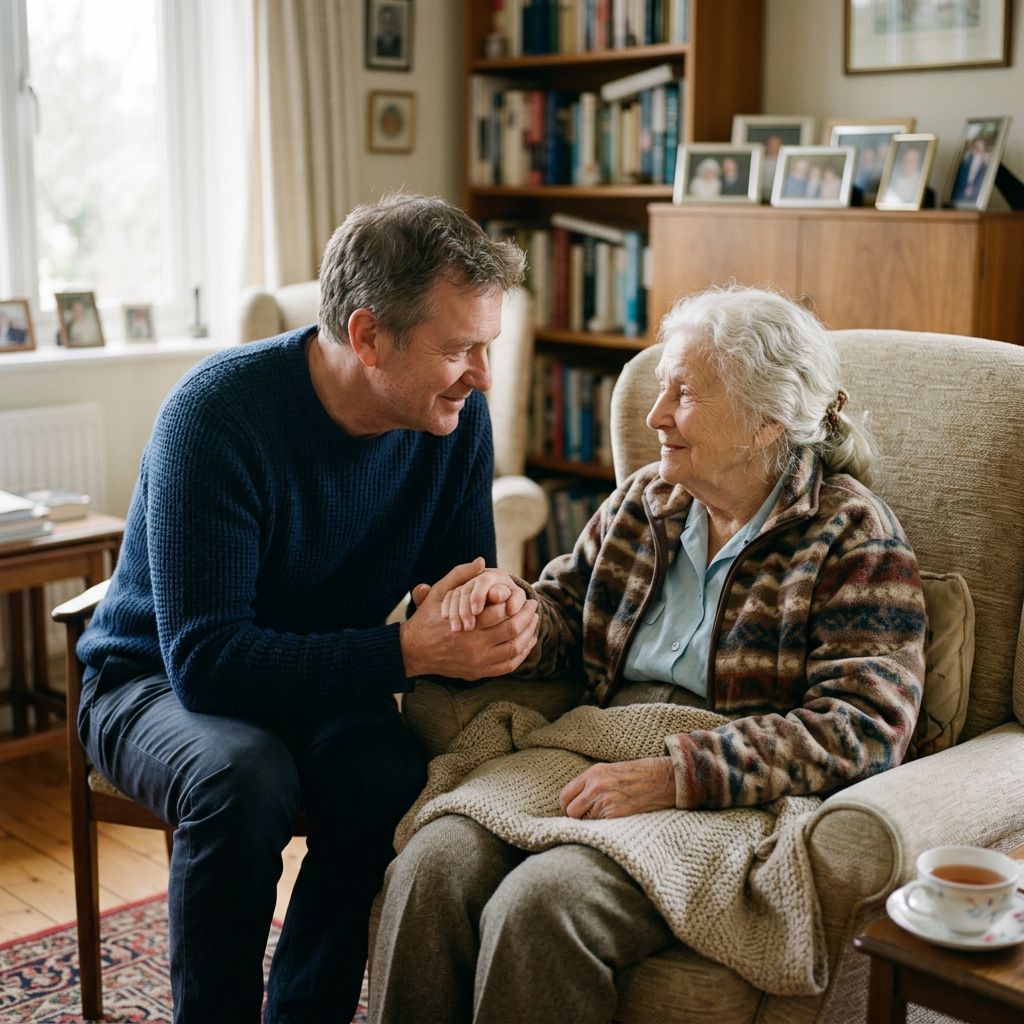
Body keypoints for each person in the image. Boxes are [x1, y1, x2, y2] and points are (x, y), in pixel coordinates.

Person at [370, 285, 926, 1024]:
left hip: (728, 789)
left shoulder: (853, 537)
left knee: (545, 905)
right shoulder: (646, 500)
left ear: (767, 421)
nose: (655, 415)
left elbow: (865, 726)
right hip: (593, 747)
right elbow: (567, 614)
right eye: (661, 388)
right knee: (433, 863)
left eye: (684, 394)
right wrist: (516, 613)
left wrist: (678, 775)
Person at [75, 193, 538, 1023]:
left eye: (488, 345)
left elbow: (458, 586)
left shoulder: (451, 421)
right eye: (460, 348)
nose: (482, 376)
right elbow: (209, 663)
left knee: (387, 772)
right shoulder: (216, 417)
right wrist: (405, 652)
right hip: (155, 682)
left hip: (315, 678)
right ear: (367, 336)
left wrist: (496, 610)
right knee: (243, 777)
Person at [952, 134, 991, 203]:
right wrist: (966, 186)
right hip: (961, 189)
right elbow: (962, 174)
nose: (979, 147)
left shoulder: (986, 161)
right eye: (978, 145)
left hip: (975, 193)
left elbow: (983, 179)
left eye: (981, 146)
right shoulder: (968, 156)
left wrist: (973, 188)